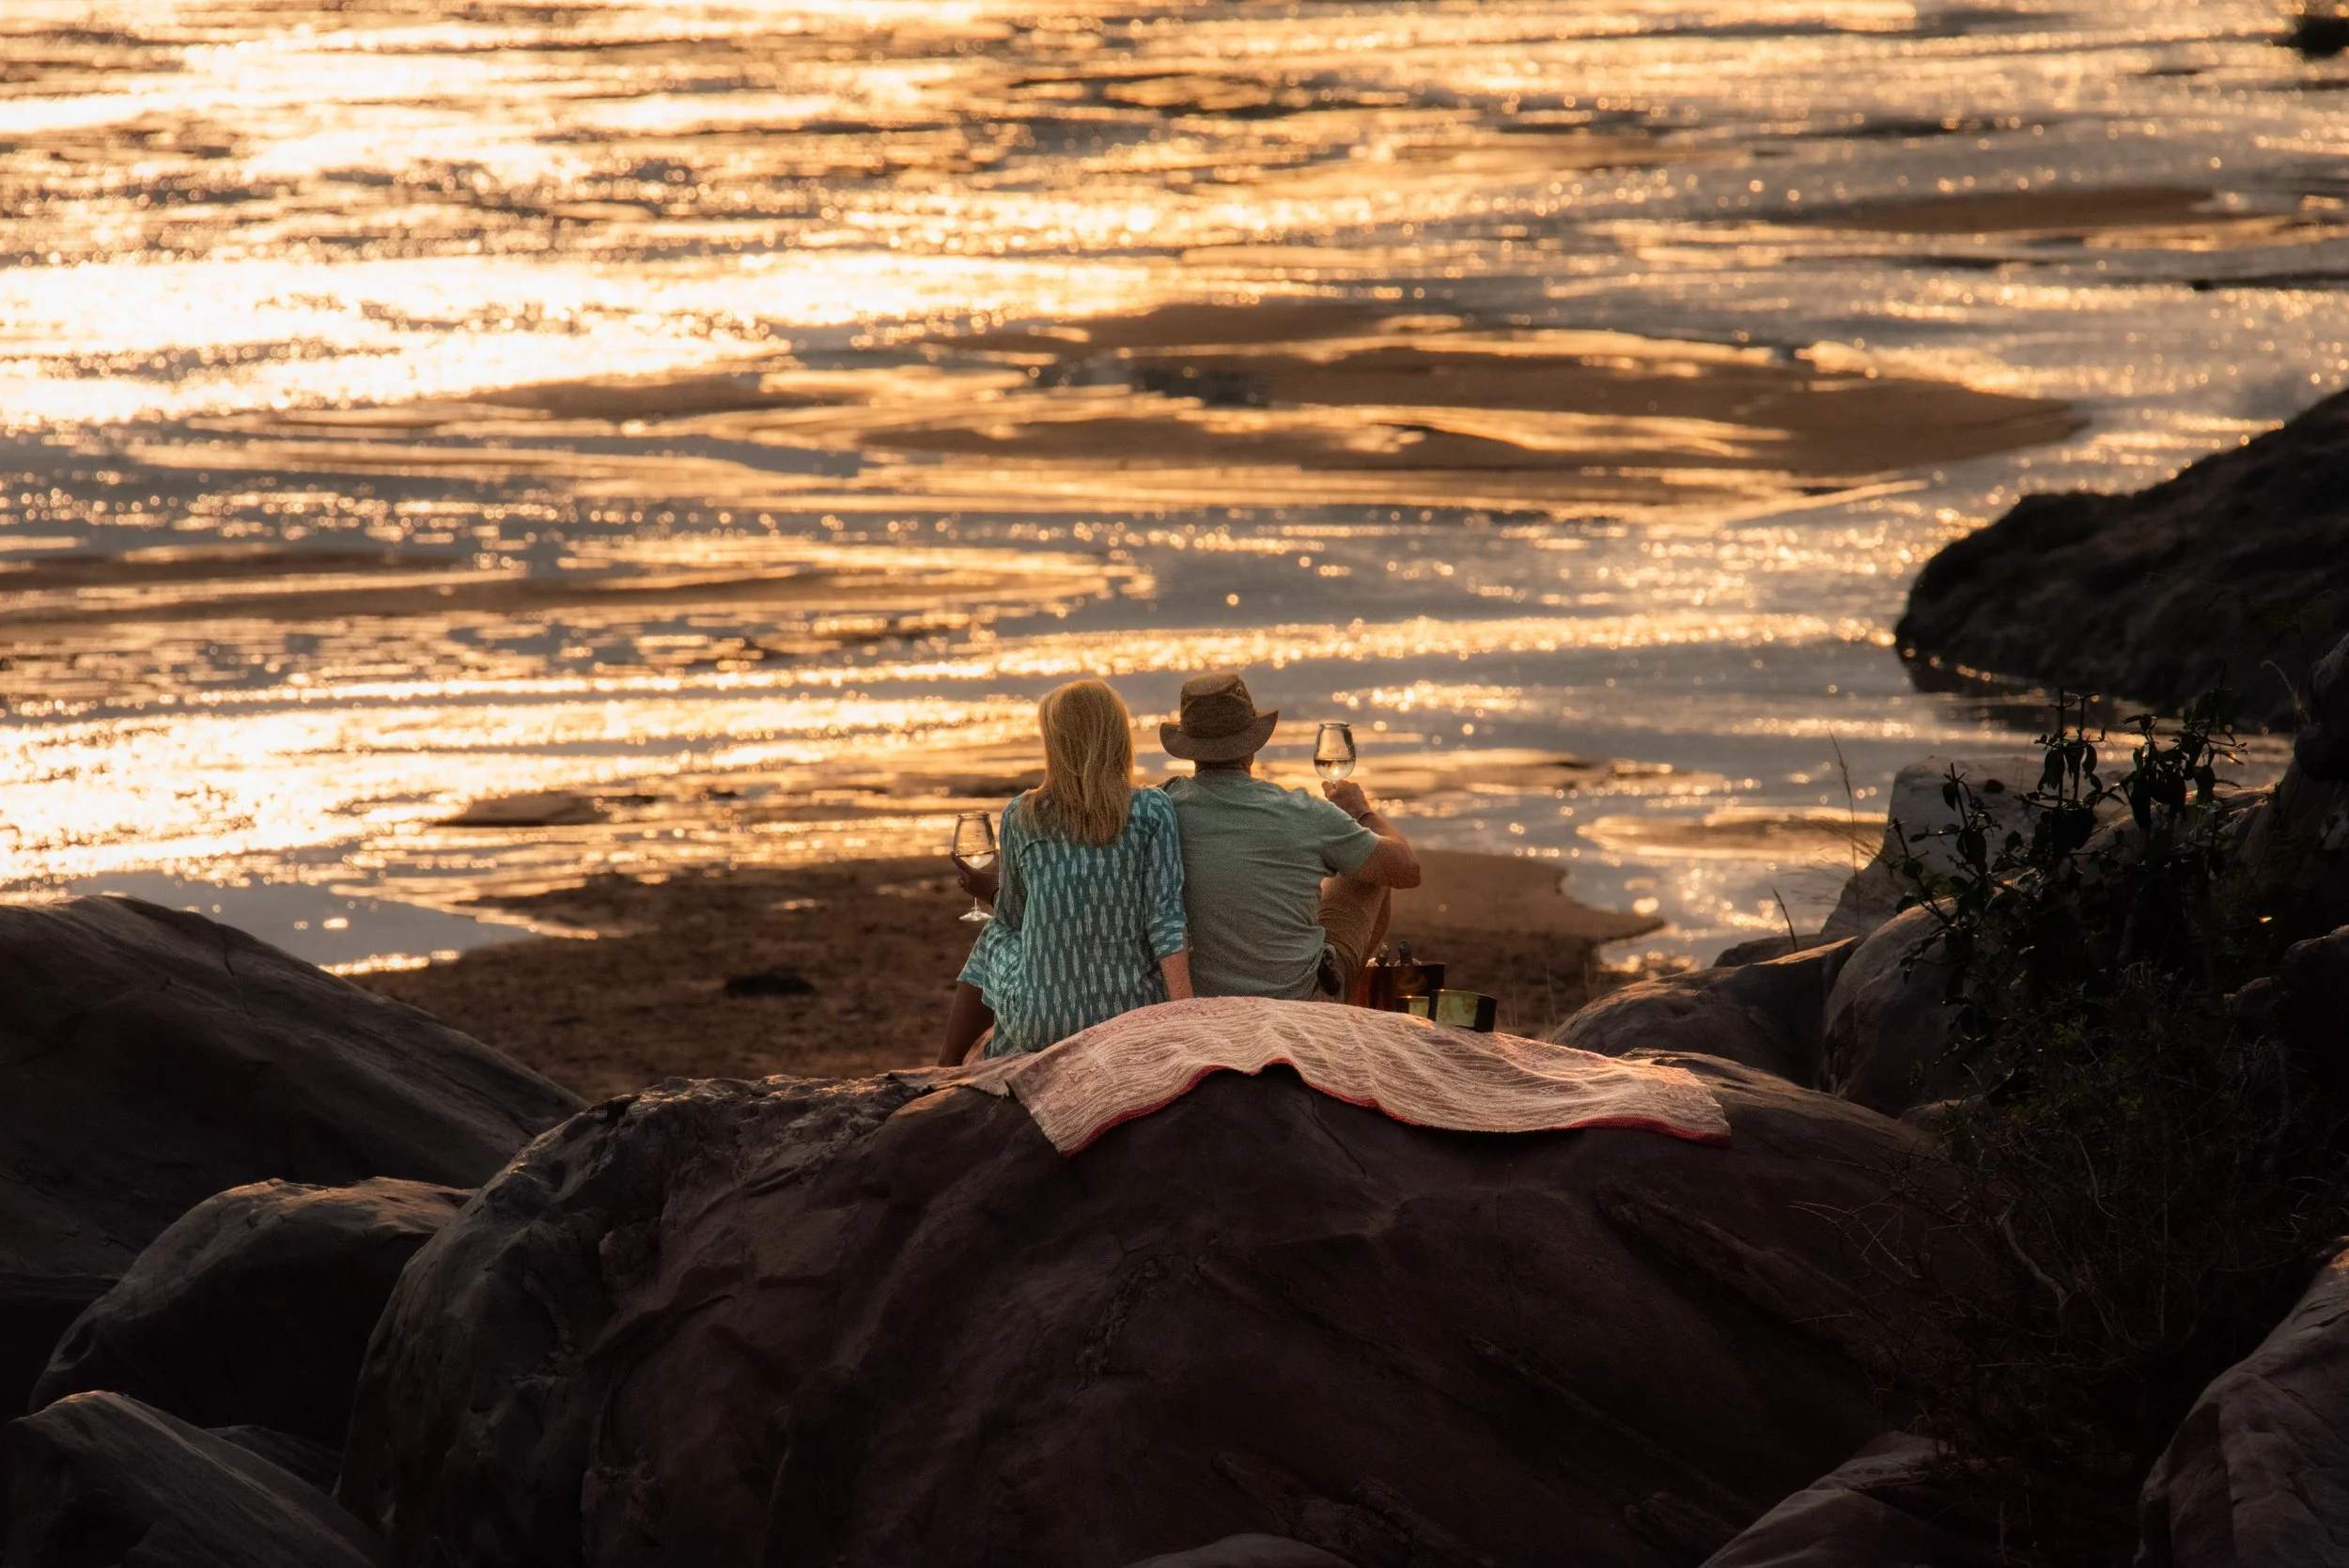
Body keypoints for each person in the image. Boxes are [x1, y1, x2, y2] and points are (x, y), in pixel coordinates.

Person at [937, 679, 1192, 1064]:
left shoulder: (1022, 814)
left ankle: (953, 1063)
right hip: (1129, 1015)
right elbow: (1166, 919)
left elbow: (1013, 918)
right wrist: (1184, 1016)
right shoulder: (1153, 809)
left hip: (1041, 1023)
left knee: (996, 934)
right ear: (1117, 738)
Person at [1157, 670, 1419, 1001]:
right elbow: (1406, 869)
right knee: (1372, 870)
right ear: (1252, 745)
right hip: (1298, 1006)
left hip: (1201, 1003)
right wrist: (1363, 811)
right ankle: (1344, 1006)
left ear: (1190, 748)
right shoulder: (1302, 810)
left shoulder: (1158, 808)